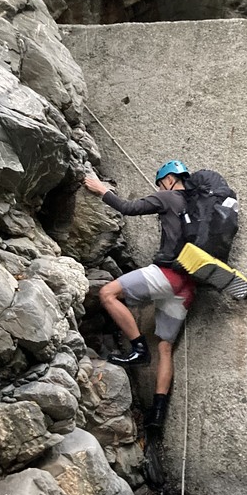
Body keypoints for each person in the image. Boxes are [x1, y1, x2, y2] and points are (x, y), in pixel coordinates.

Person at [82, 160, 196, 429]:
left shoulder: (167, 196)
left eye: (160, 183)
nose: (159, 188)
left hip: (167, 276)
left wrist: (101, 190)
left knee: (108, 293)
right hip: (188, 286)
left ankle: (138, 349)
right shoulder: (196, 207)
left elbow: (129, 208)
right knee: (166, 347)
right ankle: (158, 414)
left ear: (168, 179)